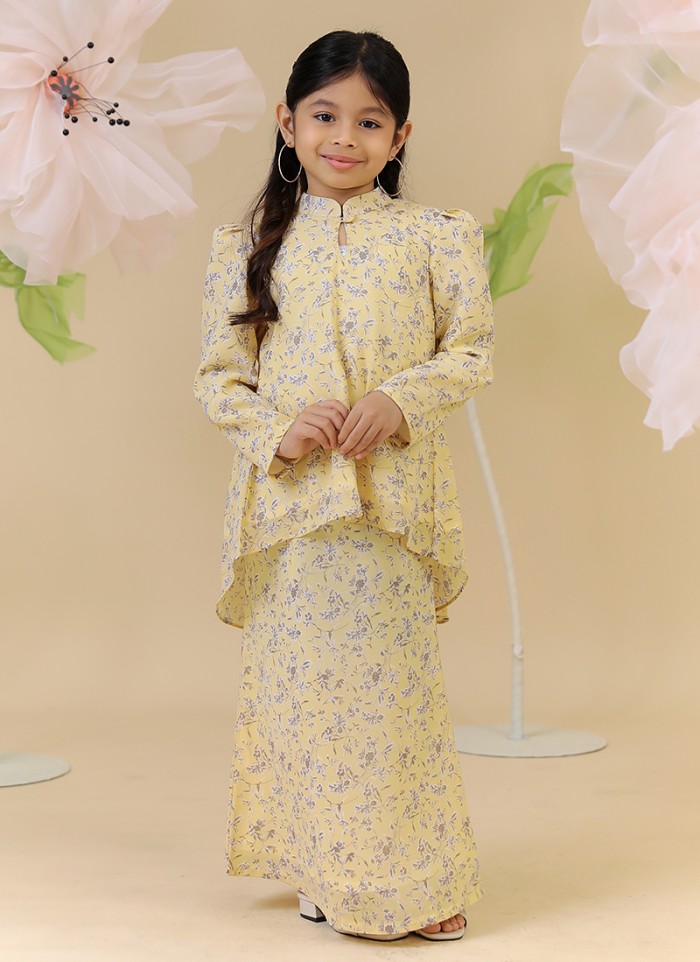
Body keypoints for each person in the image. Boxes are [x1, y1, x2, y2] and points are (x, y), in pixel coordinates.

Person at [193, 29, 494, 943]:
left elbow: (471, 352)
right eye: (325, 115)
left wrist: (399, 401)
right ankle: (324, 869)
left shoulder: (437, 237)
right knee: (303, 699)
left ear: (400, 137)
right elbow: (219, 379)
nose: (344, 138)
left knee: (393, 697)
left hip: (390, 507)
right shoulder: (247, 245)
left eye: (370, 121)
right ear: (287, 123)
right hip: (292, 512)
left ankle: (411, 879)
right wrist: (277, 431)